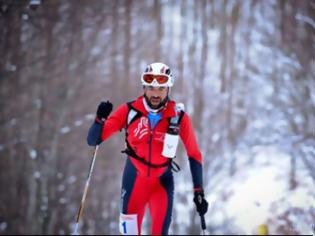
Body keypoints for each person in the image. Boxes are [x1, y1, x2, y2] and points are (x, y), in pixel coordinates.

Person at [87, 62, 208, 235]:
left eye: (161, 88)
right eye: (151, 88)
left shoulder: (178, 117)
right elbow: (93, 140)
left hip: (161, 185)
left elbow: (194, 154)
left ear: (168, 89)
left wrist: (199, 191)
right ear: (144, 87)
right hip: (133, 182)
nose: (156, 94)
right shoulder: (129, 111)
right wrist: (99, 119)